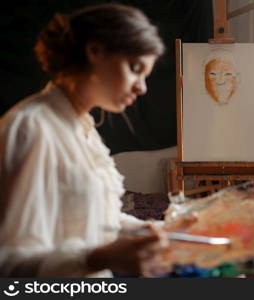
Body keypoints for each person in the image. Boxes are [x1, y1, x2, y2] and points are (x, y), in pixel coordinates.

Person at [0, 3, 168, 277]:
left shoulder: (83, 128)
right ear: (95, 52)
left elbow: (93, 219)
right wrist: (97, 259)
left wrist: (157, 231)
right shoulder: (30, 128)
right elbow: (8, 263)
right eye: (135, 68)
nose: (142, 87)